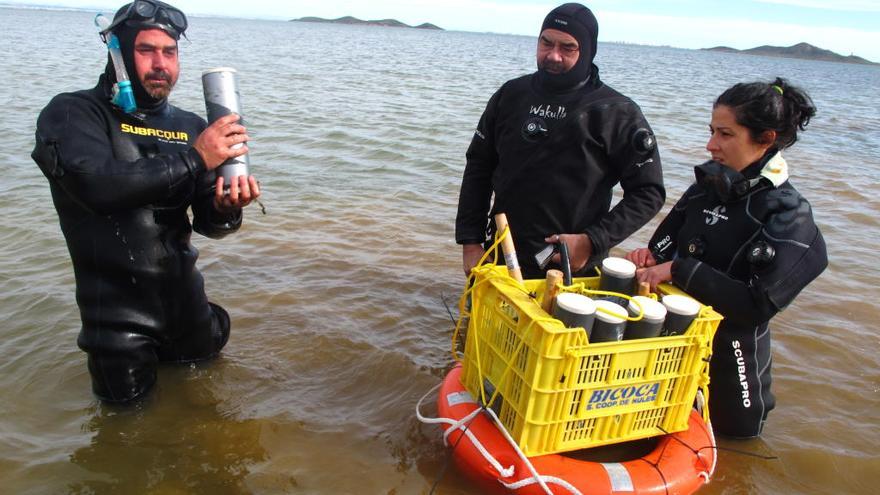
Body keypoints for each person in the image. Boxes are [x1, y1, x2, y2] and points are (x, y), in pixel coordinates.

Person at [31, 0, 261, 403]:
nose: (161, 63)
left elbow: (210, 223)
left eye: (169, 52)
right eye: (146, 50)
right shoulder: (74, 114)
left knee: (216, 425)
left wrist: (228, 208)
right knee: (128, 444)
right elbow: (95, 186)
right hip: (118, 328)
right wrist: (195, 158)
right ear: (116, 52)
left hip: (190, 312)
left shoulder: (191, 126)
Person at [626, 78, 827, 437]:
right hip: (673, 349)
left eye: (725, 134)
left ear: (765, 138)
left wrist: (678, 269)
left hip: (733, 365)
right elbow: (662, 249)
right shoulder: (707, 187)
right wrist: (648, 258)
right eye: (711, 131)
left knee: (737, 455)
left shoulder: (790, 215)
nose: (711, 145)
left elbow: (755, 306)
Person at [455, 3, 665, 279]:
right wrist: (471, 242)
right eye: (546, 43)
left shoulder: (615, 111)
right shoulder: (511, 94)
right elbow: (478, 167)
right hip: (500, 256)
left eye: (568, 47)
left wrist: (593, 241)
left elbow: (648, 192)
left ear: (588, 50)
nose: (553, 55)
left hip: (571, 267)